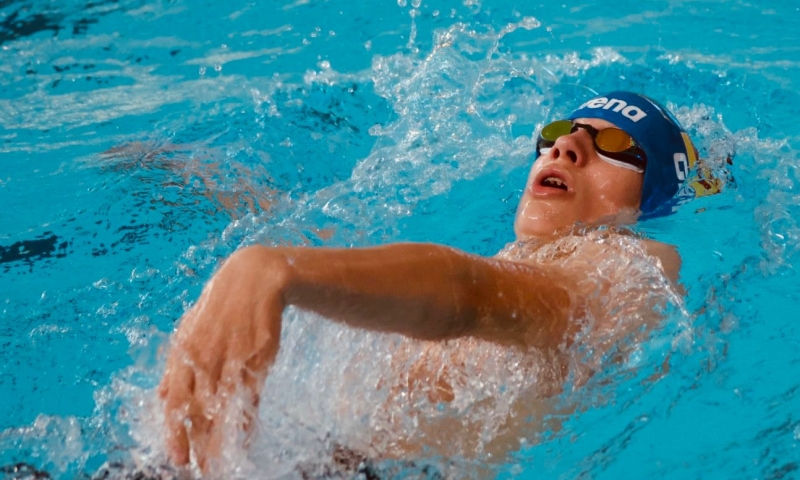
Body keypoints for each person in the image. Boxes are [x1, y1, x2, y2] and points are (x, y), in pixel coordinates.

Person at [157, 91, 704, 473]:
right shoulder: (526, 256)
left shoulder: (631, 265)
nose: (566, 147)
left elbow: (470, 296)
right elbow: (359, 262)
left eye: (616, 146)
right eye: (562, 132)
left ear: (651, 197)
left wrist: (269, 270)